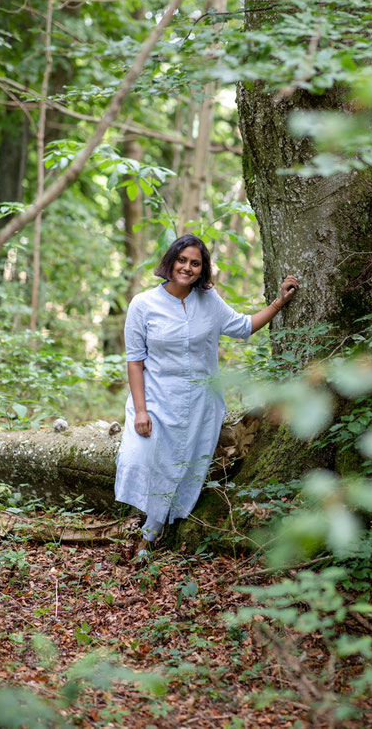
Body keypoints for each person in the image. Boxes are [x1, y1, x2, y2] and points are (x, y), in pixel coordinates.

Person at [114, 233, 298, 560]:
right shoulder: (143, 304)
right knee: (139, 457)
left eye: (195, 263)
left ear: (202, 270)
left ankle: (151, 535)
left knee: (183, 466)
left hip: (200, 402)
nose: (187, 267)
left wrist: (279, 302)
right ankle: (144, 524)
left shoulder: (208, 301)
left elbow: (243, 327)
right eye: (182, 260)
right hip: (156, 398)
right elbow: (134, 360)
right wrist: (141, 411)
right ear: (170, 262)